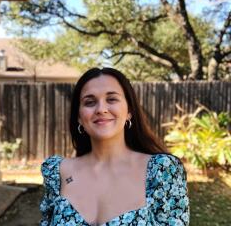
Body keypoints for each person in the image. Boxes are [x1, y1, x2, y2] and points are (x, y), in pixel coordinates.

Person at [40, 67, 189, 226]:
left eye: (111, 99)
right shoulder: (58, 173)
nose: (101, 109)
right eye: (90, 102)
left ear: (129, 111)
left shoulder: (162, 171)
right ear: (79, 117)